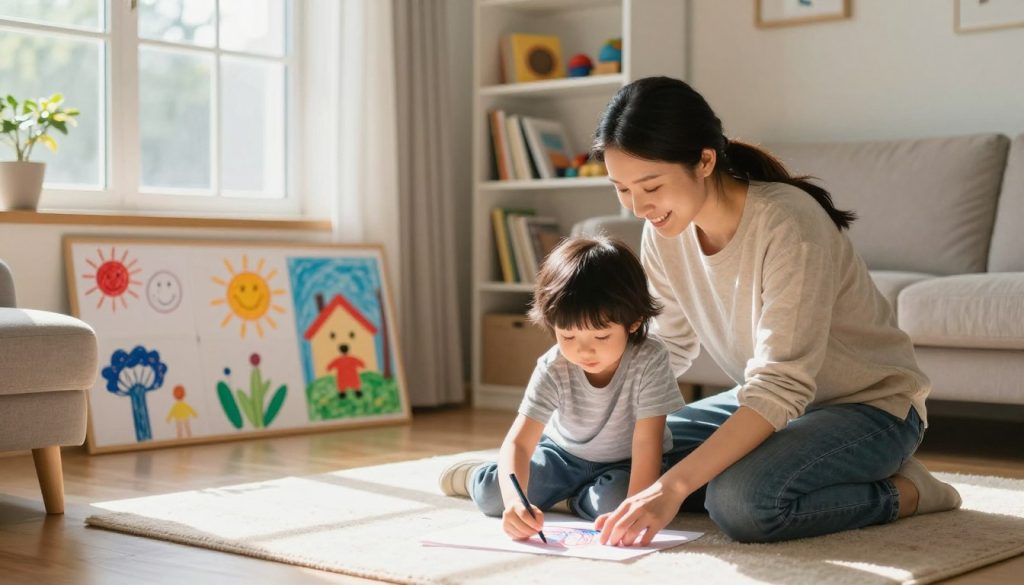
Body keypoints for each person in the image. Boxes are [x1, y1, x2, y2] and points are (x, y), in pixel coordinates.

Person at [589, 76, 961, 546]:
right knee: (615, 456)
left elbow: (781, 384)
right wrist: (600, 398)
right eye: (621, 189)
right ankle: (796, 469)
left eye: (651, 186)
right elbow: (669, 347)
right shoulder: (664, 233)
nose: (639, 207)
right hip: (774, 404)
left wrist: (672, 485)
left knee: (741, 503)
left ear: (704, 160)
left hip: (870, 408)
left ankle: (907, 491)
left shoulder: (789, 223)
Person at [439, 235, 685, 540]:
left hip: (625, 463)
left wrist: (633, 508)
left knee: (620, 504)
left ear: (633, 322)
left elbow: (648, 443)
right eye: (568, 336)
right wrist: (516, 502)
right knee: (494, 496)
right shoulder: (554, 365)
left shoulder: (650, 359)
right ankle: (477, 475)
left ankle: (568, 498)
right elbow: (519, 443)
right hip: (562, 454)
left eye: (601, 337)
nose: (583, 351)